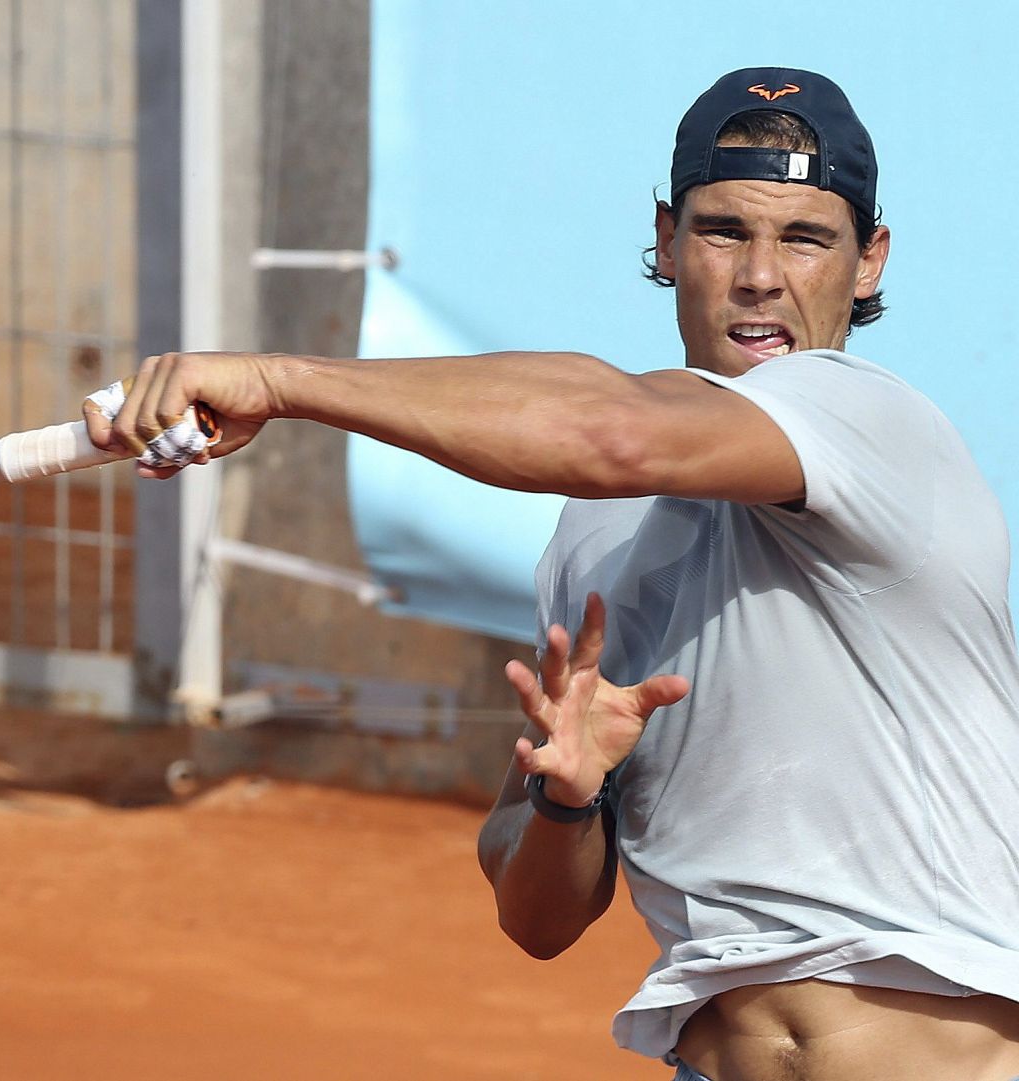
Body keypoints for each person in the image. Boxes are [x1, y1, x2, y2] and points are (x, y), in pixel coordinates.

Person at [84, 67, 1019, 1080]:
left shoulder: (865, 418)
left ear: (868, 261)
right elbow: (535, 916)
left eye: (805, 238)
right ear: (664, 241)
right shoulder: (595, 535)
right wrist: (568, 801)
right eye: (721, 231)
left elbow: (614, 429)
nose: (759, 274)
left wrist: (279, 380)